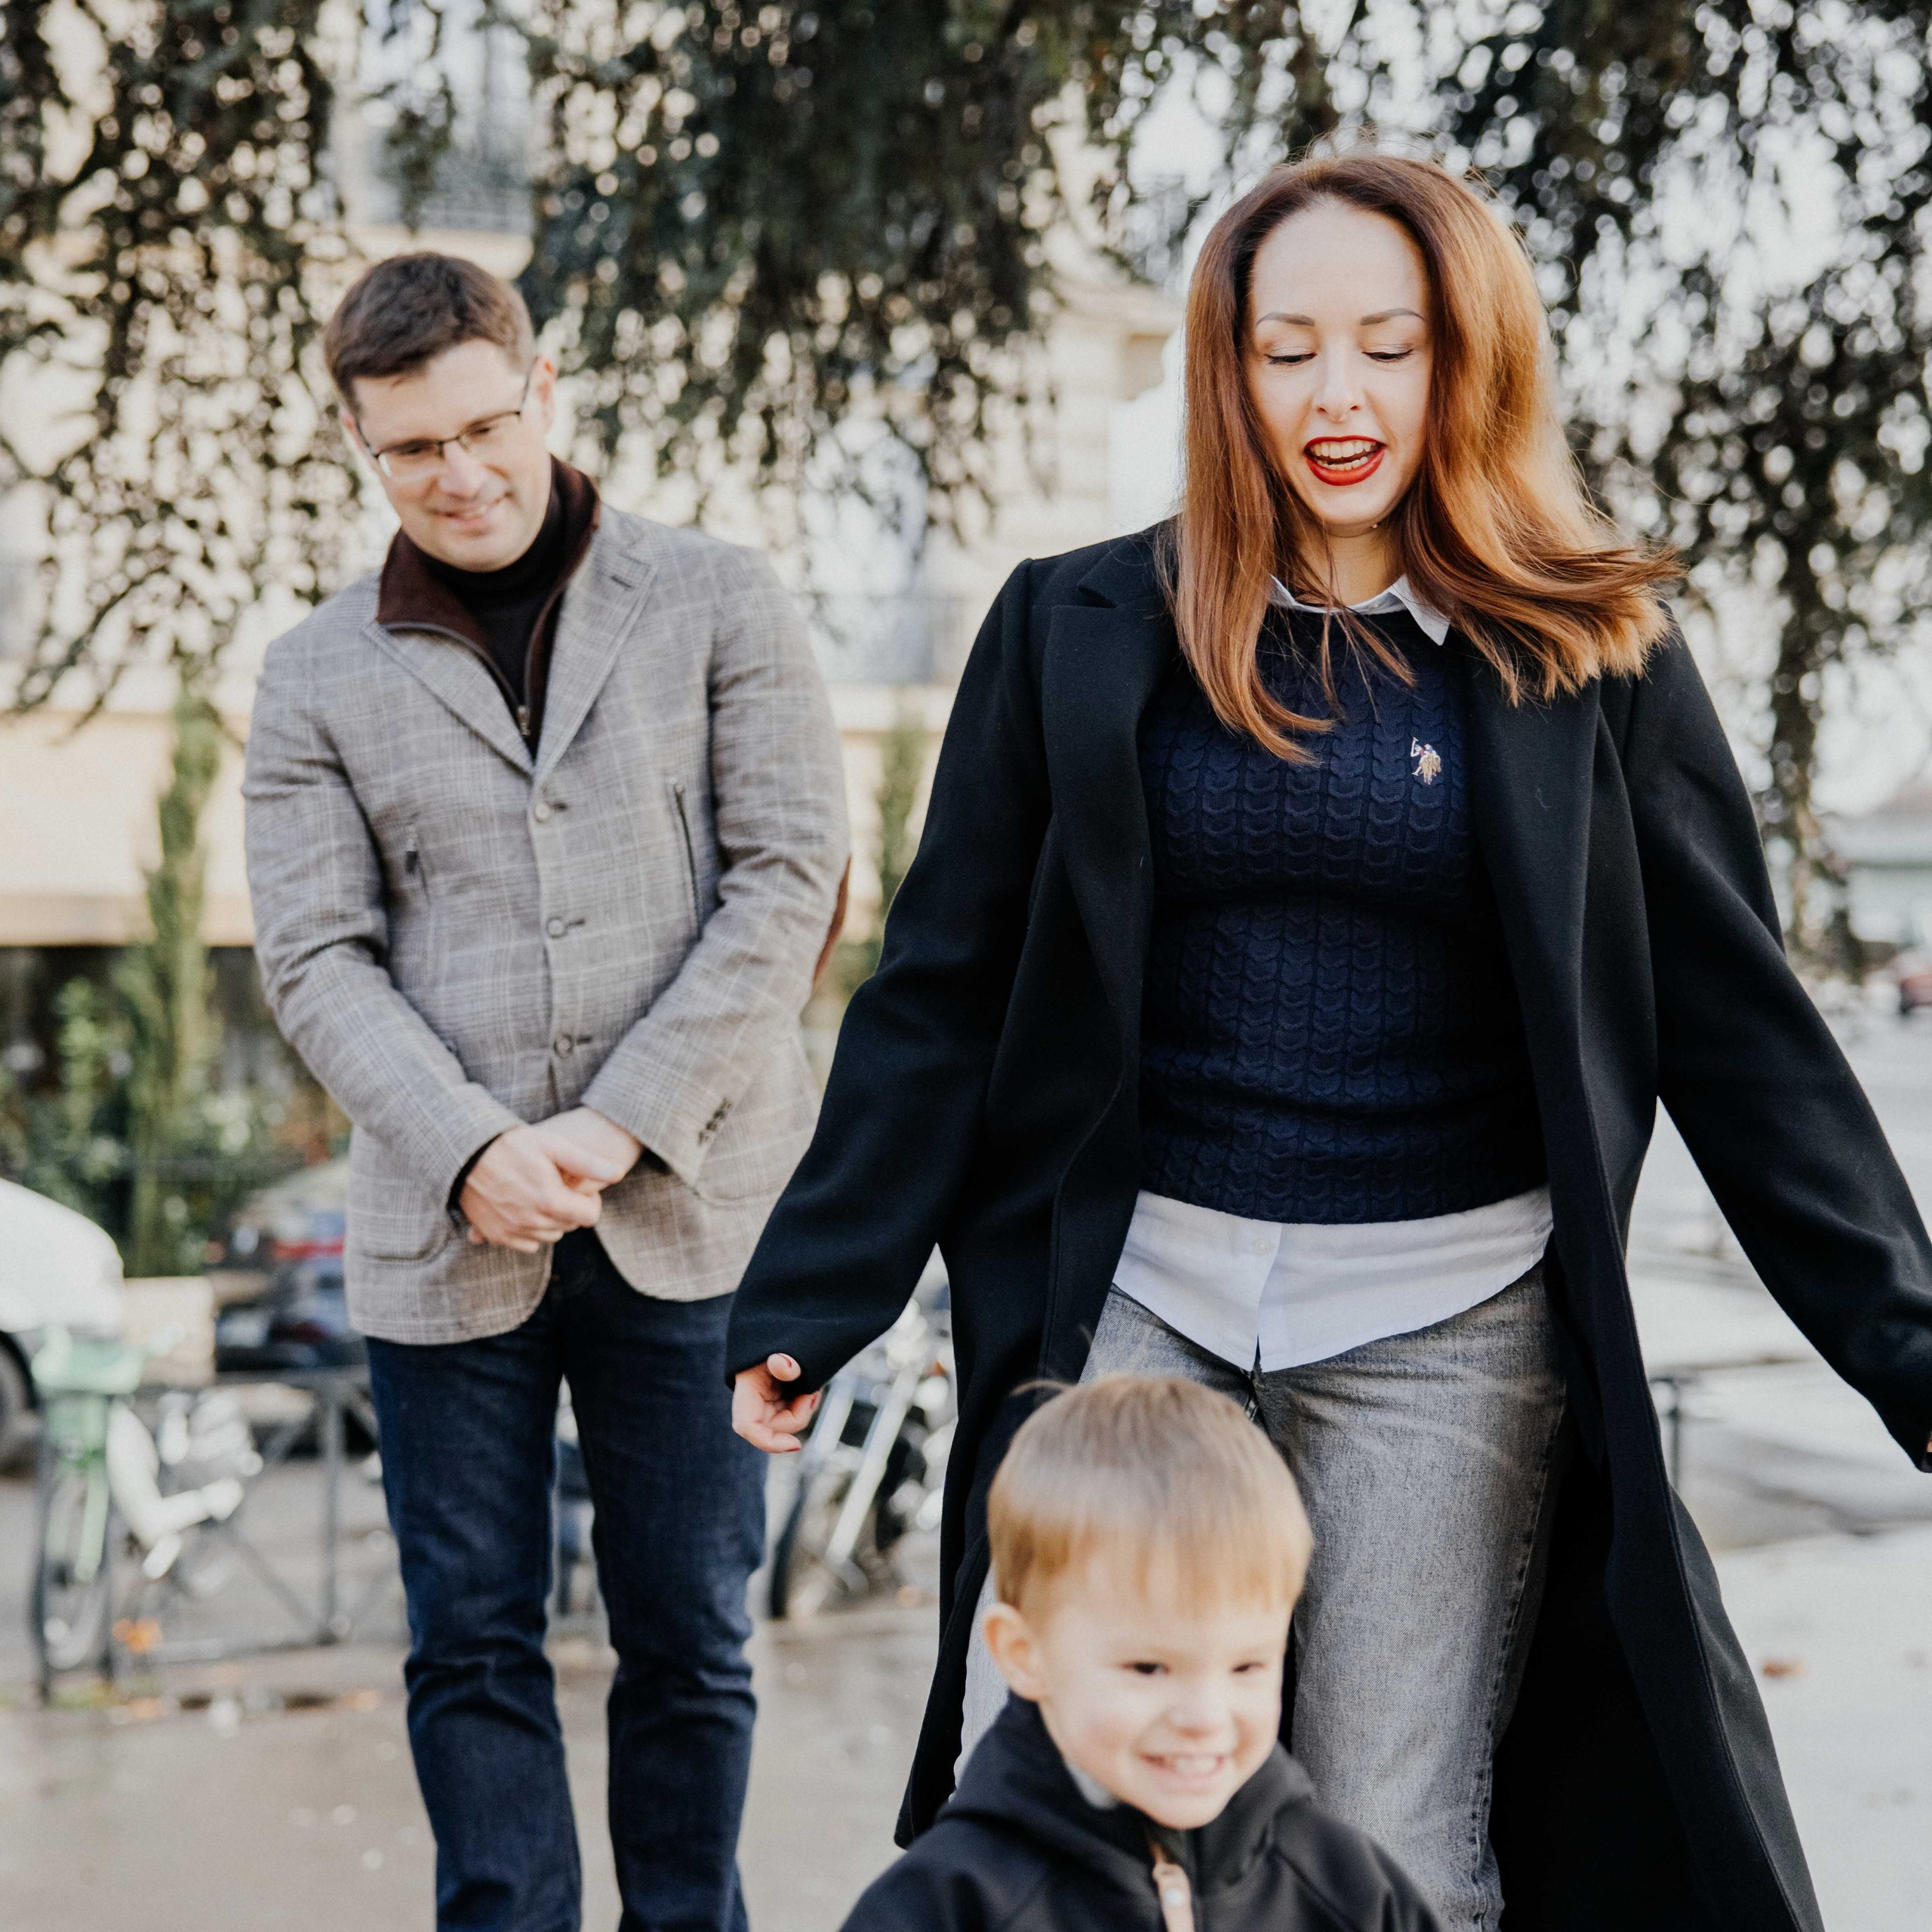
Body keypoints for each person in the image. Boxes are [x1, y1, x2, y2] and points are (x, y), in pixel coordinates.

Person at [724, 149, 1932, 1932]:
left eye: (1387, 343)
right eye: (1286, 349)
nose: (1335, 394)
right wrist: (813, 1286)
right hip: (1140, 1311)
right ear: (1226, 370)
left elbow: (1743, 1041)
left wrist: (1906, 1349)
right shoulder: (1075, 622)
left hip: (1449, 1331)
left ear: (1467, 359)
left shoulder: (1587, 656)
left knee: (1386, 1850)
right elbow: (941, 986)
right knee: (1045, 1808)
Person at [244, 252, 849, 1930]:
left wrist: (615, 1120)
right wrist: (468, 1149)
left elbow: (789, 879)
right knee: (469, 1643)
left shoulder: (721, 596)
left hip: (696, 1212)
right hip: (446, 1242)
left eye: (482, 426)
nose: (459, 473)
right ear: (362, 446)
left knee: (690, 1635)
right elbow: (313, 957)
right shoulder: (312, 675)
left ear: (544, 390)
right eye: (409, 449)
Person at [842, 1376, 1444, 1932]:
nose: (1205, 1717)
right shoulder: (950, 1904)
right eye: (1149, 1668)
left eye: (1247, 1667)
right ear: (1025, 1655)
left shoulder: (1345, 1889)